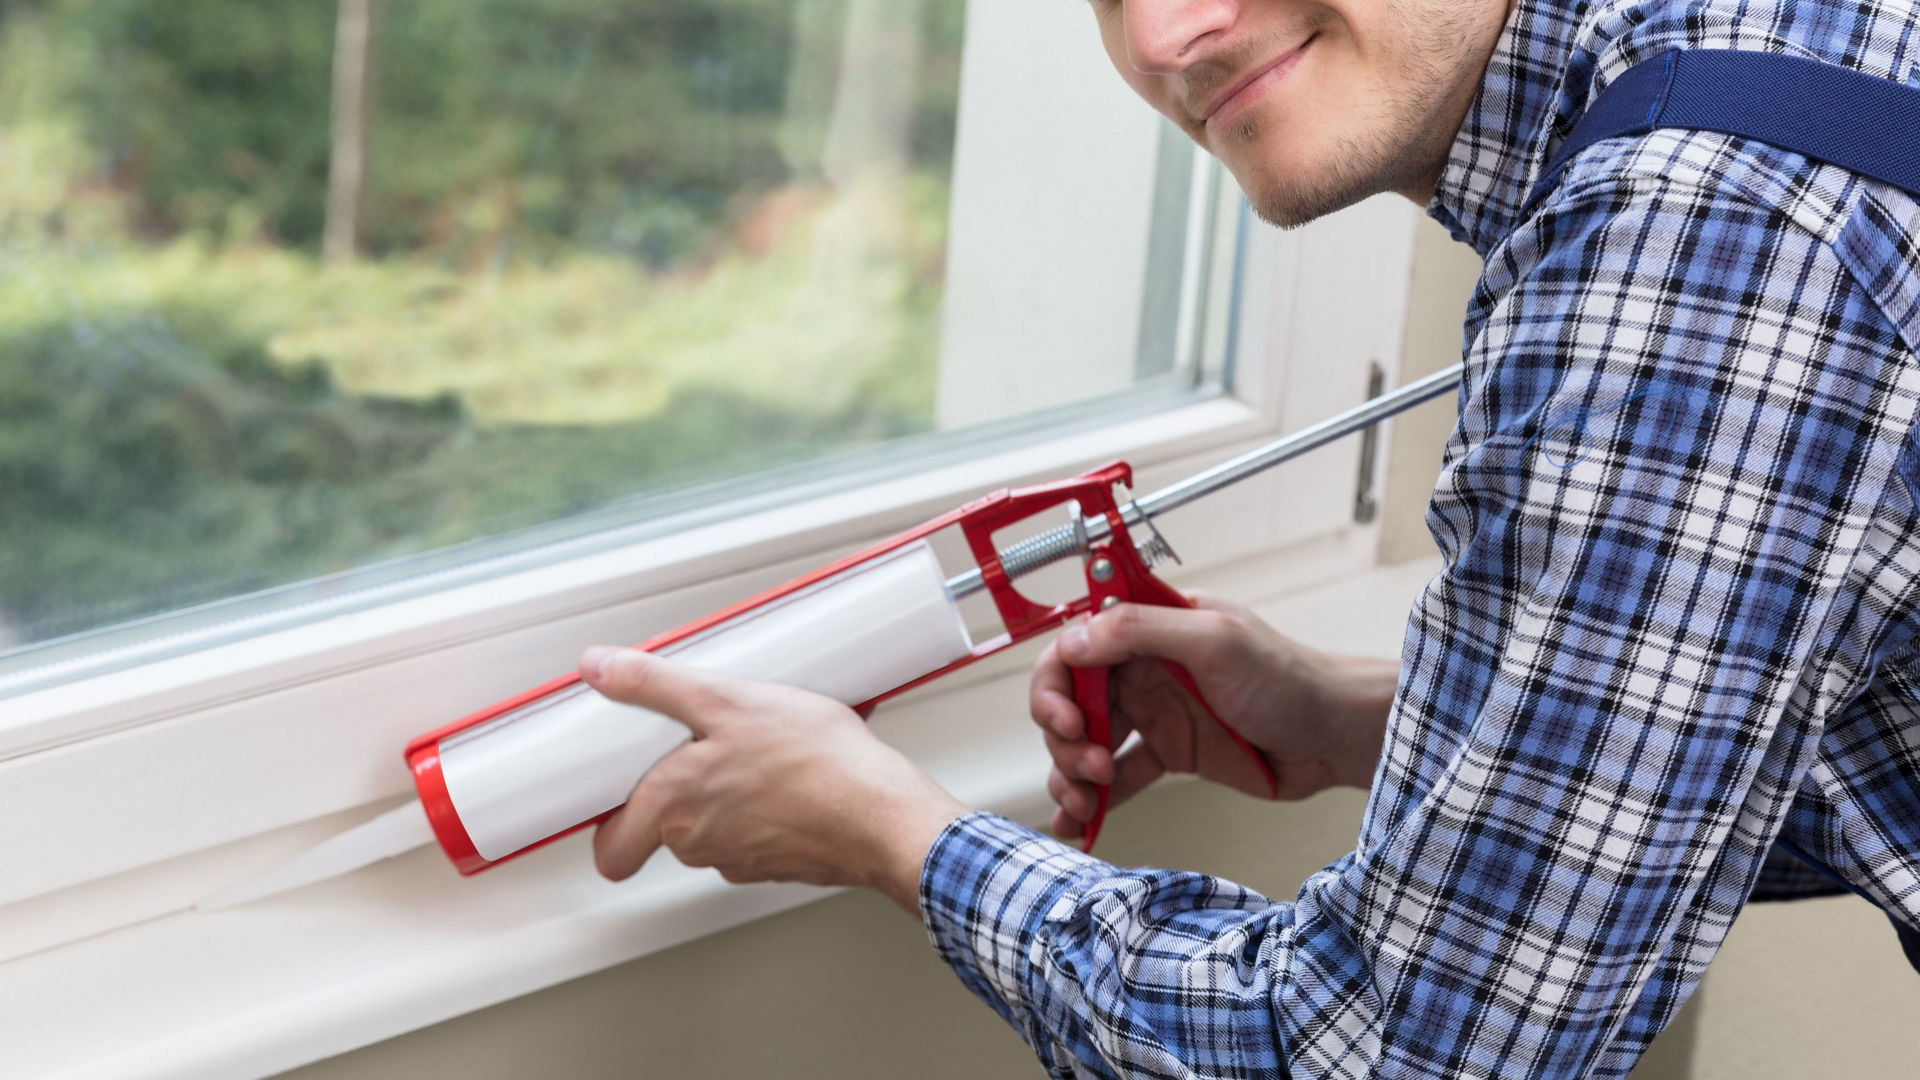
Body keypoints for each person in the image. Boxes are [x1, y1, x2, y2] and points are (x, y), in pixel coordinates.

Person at [574, 0, 1920, 1074]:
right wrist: (1371, 723)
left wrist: (891, 833)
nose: (1163, 38)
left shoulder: (1707, 240)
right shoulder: (1791, 51)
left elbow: (1400, 1059)